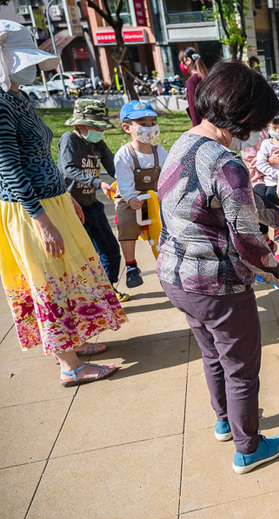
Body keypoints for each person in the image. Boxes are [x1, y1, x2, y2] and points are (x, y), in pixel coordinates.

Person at [157, 62, 279, 474]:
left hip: (176, 278)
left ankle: (225, 421)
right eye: (261, 121)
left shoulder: (185, 144)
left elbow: (239, 203)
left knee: (213, 354)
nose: (264, 131)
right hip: (217, 283)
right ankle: (248, 448)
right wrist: (277, 270)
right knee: (241, 367)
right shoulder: (226, 162)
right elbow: (246, 238)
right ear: (245, 113)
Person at [0, 20, 125, 386]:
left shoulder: (17, 96)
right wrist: (41, 218)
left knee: (67, 272)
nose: (32, 70)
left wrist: (65, 195)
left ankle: (75, 341)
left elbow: (40, 156)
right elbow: (7, 167)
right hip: (30, 208)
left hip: (52, 200)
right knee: (48, 279)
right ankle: (69, 365)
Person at [57, 98, 127, 302]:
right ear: (80, 125)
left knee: (111, 251)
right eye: (96, 127)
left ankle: (107, 289)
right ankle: (90, 295)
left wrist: (128, 183)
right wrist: (98, 183)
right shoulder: (70, 139)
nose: (100, 132)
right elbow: (68, 169)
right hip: (73, 208)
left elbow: (114, 168)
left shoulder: (99, 144)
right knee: (86, 256)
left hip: (93, 206)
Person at [113, 100, 168, 288]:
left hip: (154, 197)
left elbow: (167, 176)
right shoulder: (124, 154)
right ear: (127, 128)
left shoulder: (159, 151)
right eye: (143, 124)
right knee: (126, 222)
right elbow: (124, 182)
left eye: (152, 123)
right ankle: (131, 266)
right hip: (132, 198)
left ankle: (171, 256)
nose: (149, 127)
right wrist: (130, 197)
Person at [178, 47, 208, 127]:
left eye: (182, 61)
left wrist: (196, 127)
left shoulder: (192, 81)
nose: (181, 64)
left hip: (203, 124)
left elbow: (193, 106)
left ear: (188, 60)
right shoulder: (205, 76)